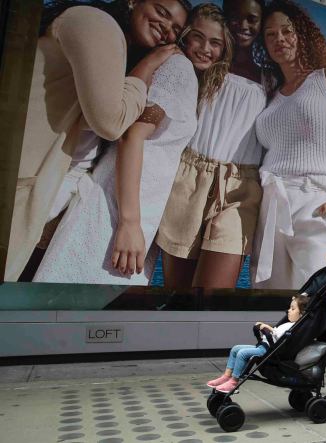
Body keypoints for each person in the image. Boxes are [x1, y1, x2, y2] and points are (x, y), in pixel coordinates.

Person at [33, 4, 224, 285]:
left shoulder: (178, 72)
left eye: (216, 42)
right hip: (117, 210)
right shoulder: (179, 68)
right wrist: (130, 224)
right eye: (197, 36)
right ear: (184, 39)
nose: (205, 48)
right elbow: (131, 135)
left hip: (127, 204)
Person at [156, 3, 268, 289]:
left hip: (240, 188)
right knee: (177, 294)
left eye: (251, 18)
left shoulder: (271, 77)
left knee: (213, 298)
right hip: (190, 178)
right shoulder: (205, 65)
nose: (242, 24)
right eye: (234, 16)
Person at [250, 0, 326, 290]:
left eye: (287, 30)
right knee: (271, 310)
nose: (279, 39)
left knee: (320, 306)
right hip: (270, 206)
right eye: (270, 34)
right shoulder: (271, 94)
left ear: (302, 34)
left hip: (317, 204)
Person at [207, 295, 308, 393]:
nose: (288, 310)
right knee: (235, 348)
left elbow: (280, 336)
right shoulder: (288, 324)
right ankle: (226, 376)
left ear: (302, 314)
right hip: (264, 345)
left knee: (242, 353)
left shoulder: (294, 327)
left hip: (268, 349)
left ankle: (234, 381)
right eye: (290, 308)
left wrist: (268, 328)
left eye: (293, 309)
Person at [223, 0, 266, 83]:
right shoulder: (207, 65)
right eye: (235, 17)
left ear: (261, 24)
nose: (243, 26)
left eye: (252, 20)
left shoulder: (268, 80)